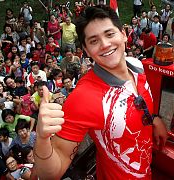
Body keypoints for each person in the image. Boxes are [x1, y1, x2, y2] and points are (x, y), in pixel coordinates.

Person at [34, 6, 167, 179]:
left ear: (123, 34)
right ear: (86, 50)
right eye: (94, 41)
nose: (105, 44)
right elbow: (51, 173)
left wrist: (154, 119)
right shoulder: (82, 98)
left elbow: (137, 101)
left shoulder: (137, 66)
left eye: (109, 34)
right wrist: (42, 139)